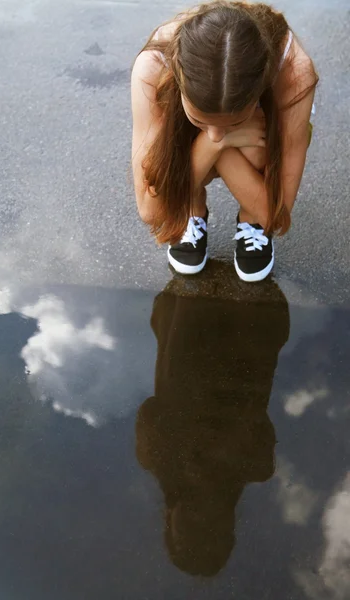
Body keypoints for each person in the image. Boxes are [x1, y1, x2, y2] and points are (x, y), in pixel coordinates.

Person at [131, 1, 318, 281]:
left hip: (254, 140)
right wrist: (215, 143)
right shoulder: (153, 66)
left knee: (261, 146)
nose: (216, 133)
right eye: (200, 120)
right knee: (173, 140)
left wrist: (216, 141)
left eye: (233, 122)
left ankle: (250, 221)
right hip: (193, 134)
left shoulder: (293, 71)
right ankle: (190, 208)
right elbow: (151, 211)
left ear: (258, 92)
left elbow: (276, 217)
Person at [136, 261, 290, 575]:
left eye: (191, 532)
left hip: (245, 317)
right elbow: (149, 412)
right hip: (217, 313)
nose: (201, 521)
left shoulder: (255, 465)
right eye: (210, 533)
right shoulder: (156, 457)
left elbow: (150, 411)